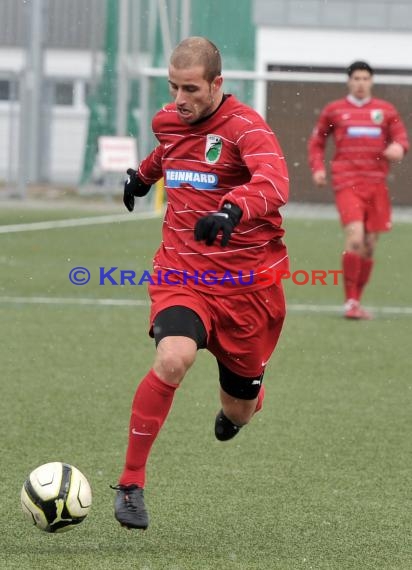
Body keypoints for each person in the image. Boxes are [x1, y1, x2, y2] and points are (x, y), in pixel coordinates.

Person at [111, 36, 289, 530]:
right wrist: (143, 178)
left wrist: (233, 208)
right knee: (173, 357)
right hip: (182, 274)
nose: (179, 99)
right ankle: (130, 484)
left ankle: (241, 407)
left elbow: (275, 182)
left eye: (190, 88)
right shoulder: (170, 121)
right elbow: (168, 151)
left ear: (217, 84)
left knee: (240, 409)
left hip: (248, 291)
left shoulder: (246, 128)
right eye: (173, 87)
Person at [308, 61, 409, 319]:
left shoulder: (385, 111)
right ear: (349, 81)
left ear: (371, 81)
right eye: (357, 78)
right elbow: (317, 142)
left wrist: (398, 148)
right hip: (347, 182)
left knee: (369, 246)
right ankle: (350, 303)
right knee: (355, 238)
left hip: (376, 185)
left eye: (365, 78)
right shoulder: (335, 110)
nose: (361, 83)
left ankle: (357, 301)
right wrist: (318, 168)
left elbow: (401, 138)